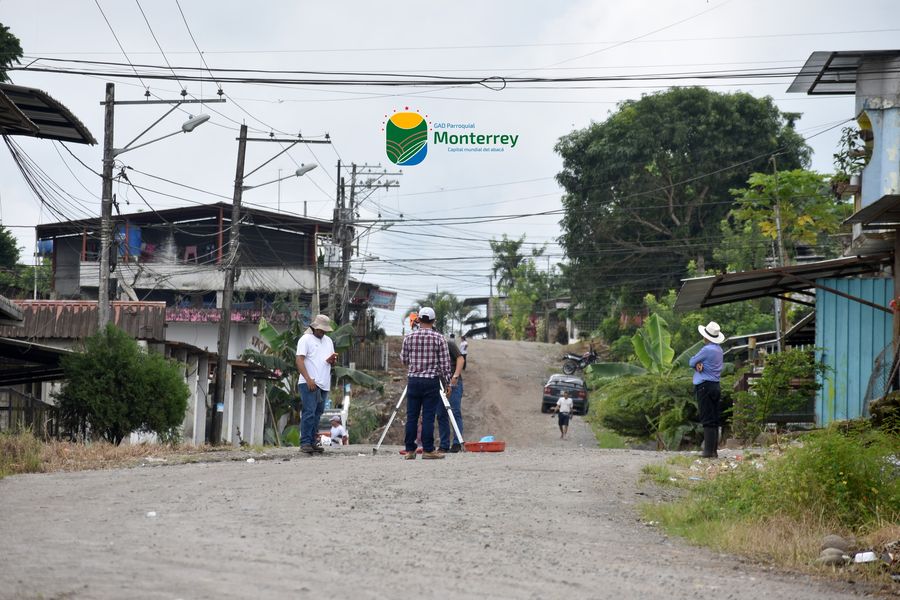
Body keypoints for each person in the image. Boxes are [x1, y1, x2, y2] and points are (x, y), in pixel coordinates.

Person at [401, 306, 451, 460]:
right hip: (431, 381)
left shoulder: (409, 337)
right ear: (434, 321)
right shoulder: (439, 338)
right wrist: (448, 383)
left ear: (419, 320)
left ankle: (410, 450)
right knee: (428, 416)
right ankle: (428, 450)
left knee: (412, 416)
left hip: (413, 380)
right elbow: (445, 364)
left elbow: (404, 360)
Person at [296, 314, 338, 455]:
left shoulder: (328, 341)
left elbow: (328, 361)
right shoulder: (305, 339)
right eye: (320, 330)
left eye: (324, 330)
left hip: (324, 383)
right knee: (309, 412)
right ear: (314, 327)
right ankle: (305, 443)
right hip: (309, 382)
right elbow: (299, 360)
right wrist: (308, 379)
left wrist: (332, 361)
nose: (322, 332)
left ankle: (312, 442)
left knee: (317, 414)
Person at [689, 320, 725, 458]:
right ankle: (713, 451)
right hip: (715, 385)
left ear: (706, 336)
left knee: (707, 419)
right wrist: (700, 363)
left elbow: (691, 361)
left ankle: (708, 451)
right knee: (714, 419)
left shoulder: (706, 349)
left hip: (705, 386)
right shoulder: (719, 350)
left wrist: (697, 363)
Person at [436, 335, 466, 453]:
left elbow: (460, 359)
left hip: (453, 383)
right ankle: (444, 444)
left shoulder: (448, 344)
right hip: (439, 385)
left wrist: (455, 376)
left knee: (454, 412)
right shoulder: (430, 347)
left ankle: (457, 443)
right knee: (441, 414)